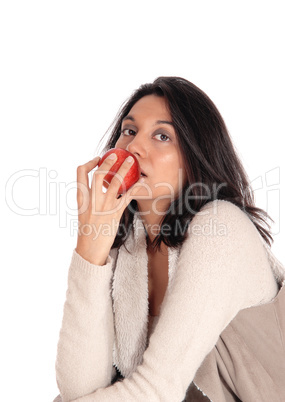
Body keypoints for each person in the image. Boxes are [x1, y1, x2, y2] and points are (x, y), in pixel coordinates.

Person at [54, 77, 285, 402]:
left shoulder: (222, 228)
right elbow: (81, 389)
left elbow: (158, 390)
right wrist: (90, 246)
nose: (133, 147)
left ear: (194, 157)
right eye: (129, 131)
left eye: (162, 135)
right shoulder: (127, 245)